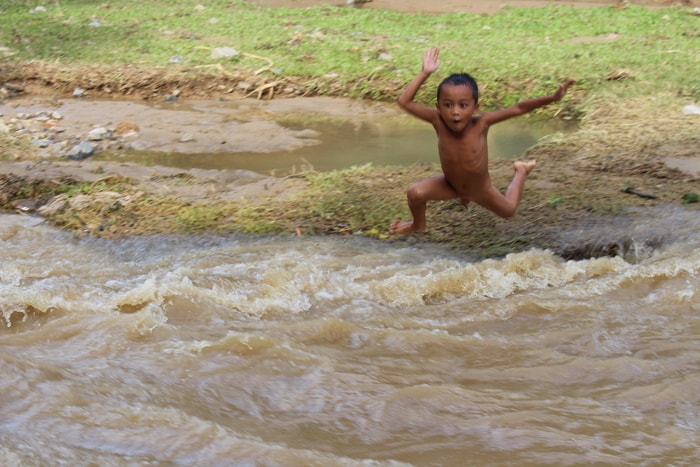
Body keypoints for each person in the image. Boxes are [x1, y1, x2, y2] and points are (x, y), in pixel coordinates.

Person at [390, 47, 575, 234]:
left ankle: (521, 170)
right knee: (415, 193)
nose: (455, 112)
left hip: (480, 189)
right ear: (438, 107)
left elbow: (518, 108)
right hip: (450, 185)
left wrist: (552, 98)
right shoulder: (437, 121)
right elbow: (404, 102)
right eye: (448, 105)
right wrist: (425, 73)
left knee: (509, 210)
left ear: (475, 107)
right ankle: (418, 225)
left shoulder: (482, 124)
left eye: (463, 105)